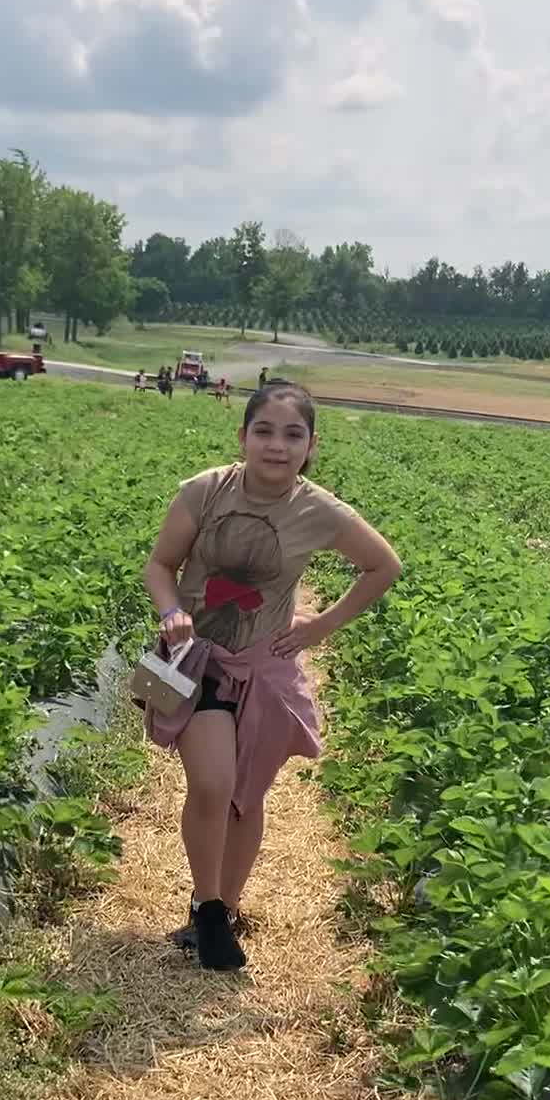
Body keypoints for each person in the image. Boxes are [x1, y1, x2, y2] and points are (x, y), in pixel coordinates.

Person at [141, 381, 402, 972]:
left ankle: (224, 911)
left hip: (266, 669)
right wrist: (170, 610)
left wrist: (321, 626)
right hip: (195, 659)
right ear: (243, 437)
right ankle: (209, 907)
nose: (277, 445)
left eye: (292, 434)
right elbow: (160, 564)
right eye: (264, 431)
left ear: (311, 446)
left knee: (246, 795)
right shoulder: (205, 490)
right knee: (212, 782)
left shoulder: (319, 510)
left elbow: (383, 566)